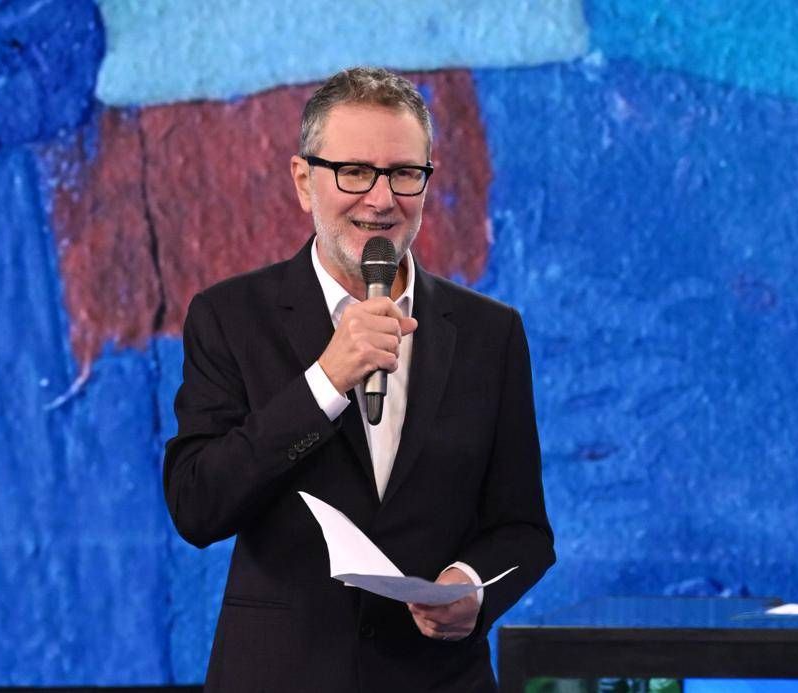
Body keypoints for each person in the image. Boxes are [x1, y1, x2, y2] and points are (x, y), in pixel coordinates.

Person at [163, 66, 554, 692]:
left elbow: (524, 529)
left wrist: (471, 587)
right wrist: (325, 381)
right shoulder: (230, 317)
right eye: (354, 172)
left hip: (437, 680)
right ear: (304, 181)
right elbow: (197, 505)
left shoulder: (490, 333)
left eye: (404, 173)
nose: (380, 199)